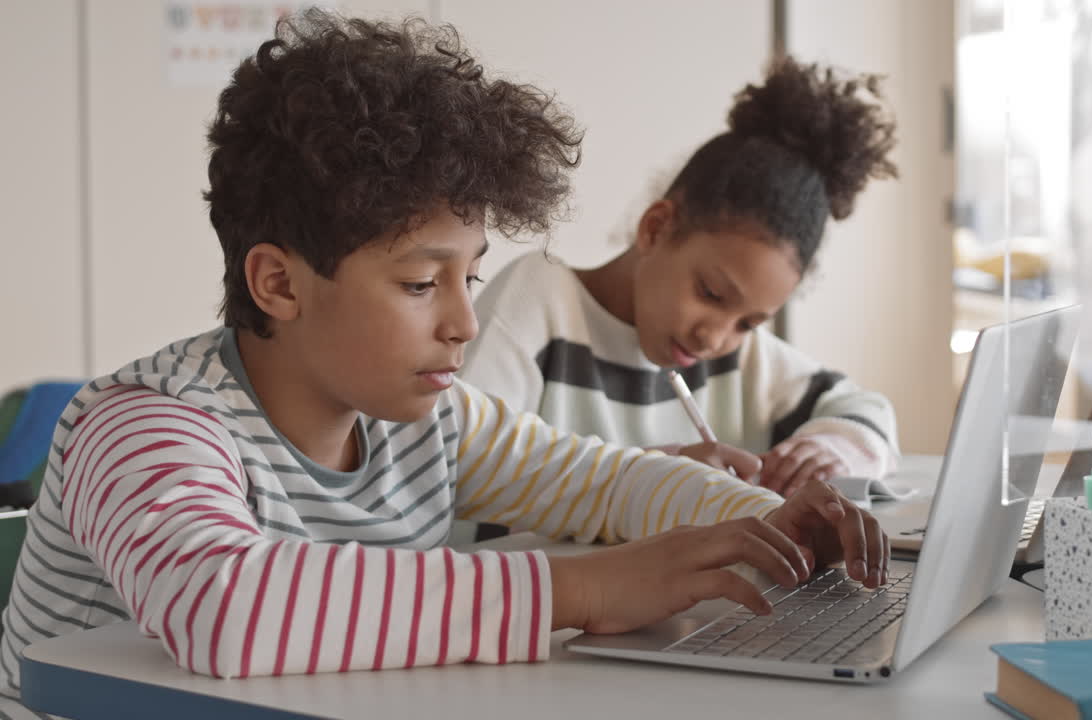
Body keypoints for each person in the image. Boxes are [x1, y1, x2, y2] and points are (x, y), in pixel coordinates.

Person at [0, 11, 888, 715]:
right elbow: (225, 608)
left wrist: (767, 522)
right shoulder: (144, 424)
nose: (465, 323)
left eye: (472, 277)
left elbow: (608, 482)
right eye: (422, 283)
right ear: (279, 282)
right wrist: (583, 589)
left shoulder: (431, 421)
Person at [462, 57, 902, 497]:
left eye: (749, 323)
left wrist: (827, 451)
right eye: (711, 293)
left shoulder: (739, 359)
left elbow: (866, 409)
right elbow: (462, 462)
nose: (715, 338)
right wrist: (656, 479)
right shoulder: (541, 303)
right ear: (656, 229)